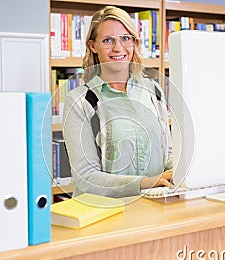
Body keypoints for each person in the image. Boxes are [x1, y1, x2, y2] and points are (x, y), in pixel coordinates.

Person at [62, 6, 173, 198]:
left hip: (156, 206)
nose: (118, 48)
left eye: (125, 38)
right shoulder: (80, 101)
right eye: (107, 40)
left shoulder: (153, 90)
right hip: (107, 214)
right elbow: (86, 178)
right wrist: (148, 183)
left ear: (134, 42)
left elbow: (167, 152)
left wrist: (181, 172)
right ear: (92, 46)